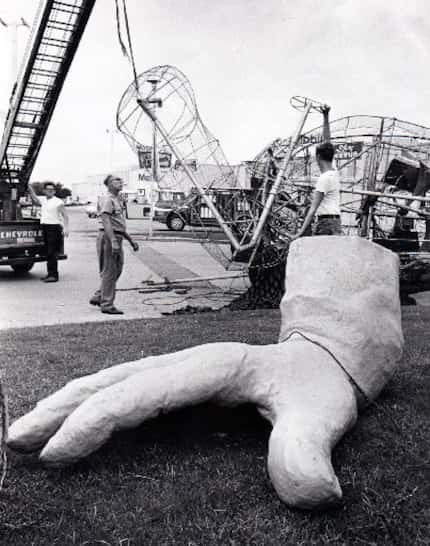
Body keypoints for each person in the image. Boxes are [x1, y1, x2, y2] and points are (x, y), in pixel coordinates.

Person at [89, 175, 139, 315]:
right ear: (108, 184)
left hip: (117, 236)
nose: (120, 182)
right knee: (109, 271)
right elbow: (106, 221)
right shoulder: (107, 199)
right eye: (116, 180)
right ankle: (107, 304)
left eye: (121, 180)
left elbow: (119, 224)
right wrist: (113, 240)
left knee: (117, 269)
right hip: (109, 237)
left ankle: (99, 296)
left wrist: (130, 239)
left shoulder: (118, 200)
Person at [292, 105, 342, 239]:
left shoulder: (324, 179)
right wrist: (326, 116)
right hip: (336, 222)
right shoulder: (334, 171)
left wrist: (300, 233)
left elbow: (313, 209)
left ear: (318, 157)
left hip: (325, 223)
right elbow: (328, 142)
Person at [28, 181, 69, 282]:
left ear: (54, 191)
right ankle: (50, 274)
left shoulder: (58, 202)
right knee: (48, 252)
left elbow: (65, 215)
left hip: (54, 228)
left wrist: (66, 228)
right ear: (44, 191)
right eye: (48, 190)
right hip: (45, 227)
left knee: (52, 252)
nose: (50, 191)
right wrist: (29, 188)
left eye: (52, 190)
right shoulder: (43, 200)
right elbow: (35, 199)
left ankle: (54, 276)